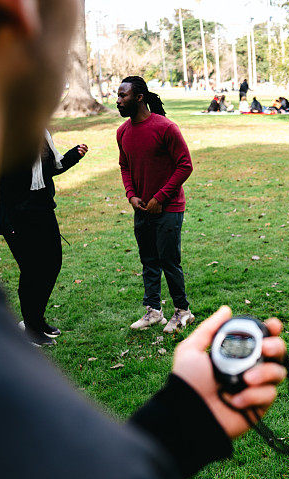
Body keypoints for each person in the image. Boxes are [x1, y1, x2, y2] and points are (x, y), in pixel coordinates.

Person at [0, 1, 287, 479]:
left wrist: (178, 426)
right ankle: (143, 309)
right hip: (125, 209)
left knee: (158, 264)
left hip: (160, 210)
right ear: (12, 23)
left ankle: (174, 307)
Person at [116, 76, 195, 334]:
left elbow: (185, 165)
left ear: (139, 97)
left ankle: (183, 311)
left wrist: (159, 197)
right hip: (142, 209)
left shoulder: (165, 128)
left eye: (123, 96)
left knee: (169, 261)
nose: (118, 101)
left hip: (169, 208)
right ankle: (153, 312)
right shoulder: (123, 132)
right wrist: (131, 195)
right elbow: (125, 165)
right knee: (149, 260)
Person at [0, 130, 88, 346]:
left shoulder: (42, 134)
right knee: (32, 272)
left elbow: (50, 169)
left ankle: (36, 319)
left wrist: (74, 155)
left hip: (43, 212)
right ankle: (31, 327)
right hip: (17, 218)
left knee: (52, 265)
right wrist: (3, 224)